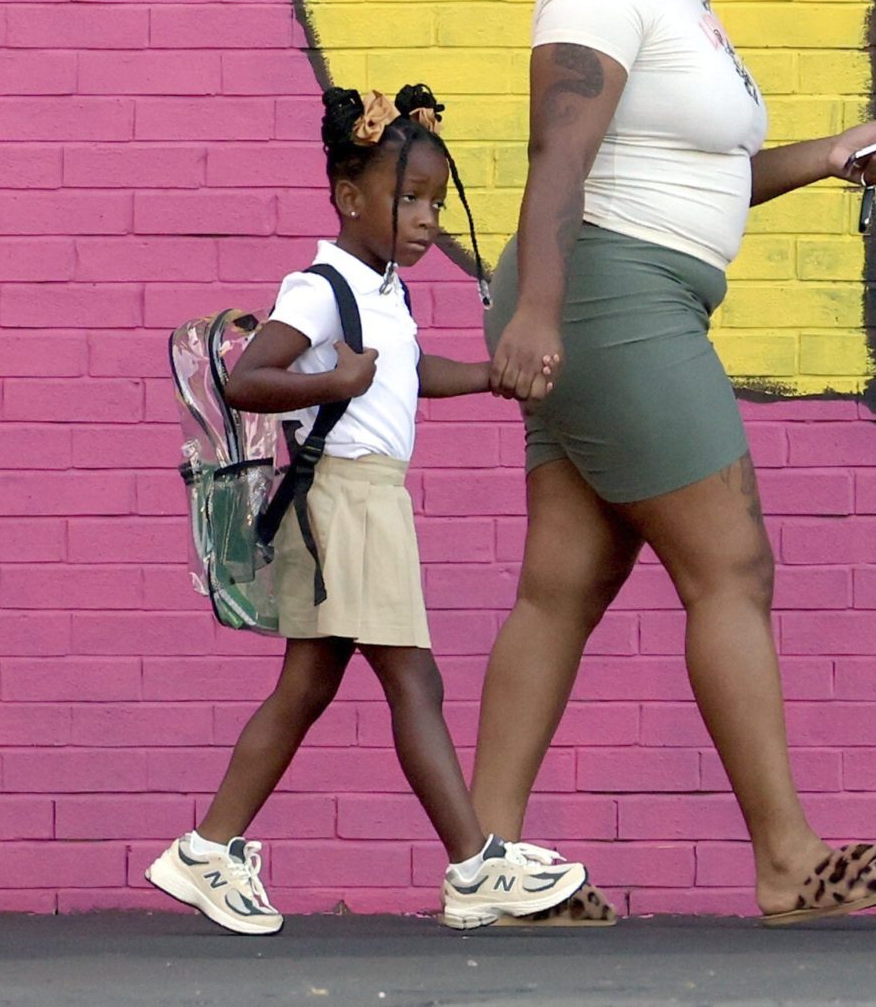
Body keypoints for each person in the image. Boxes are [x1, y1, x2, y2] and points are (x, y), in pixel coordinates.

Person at [476, 0, 876, 926]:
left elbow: (693, 173)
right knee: (729, 564)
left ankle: (489, 863)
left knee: (561, 584)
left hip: (614, 283)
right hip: (609, 289)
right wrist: (539, 316)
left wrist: (839, 154)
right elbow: (558, 157)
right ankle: (788, 860)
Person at [148, 85, 593, 935]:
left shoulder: (384, 287)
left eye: (433, 200)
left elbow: (409, 375)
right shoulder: (323, 286)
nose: (427, 218)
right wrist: (330, 382)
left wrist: (495, 377)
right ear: (351, 198)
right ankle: (473, 865)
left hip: (373, 501)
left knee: (308, 687)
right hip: (342, 502)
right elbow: (247, 379)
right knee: (410, 678)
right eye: (408, 199)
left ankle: (209, 847)